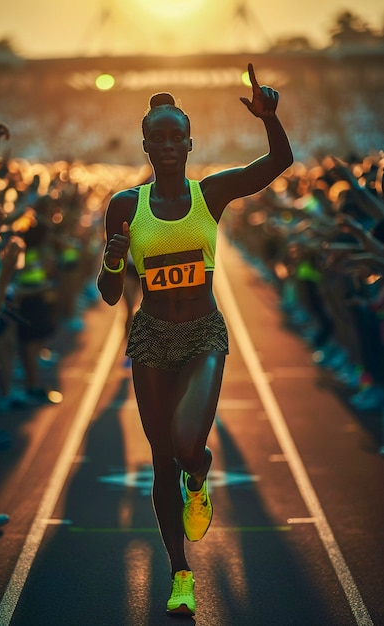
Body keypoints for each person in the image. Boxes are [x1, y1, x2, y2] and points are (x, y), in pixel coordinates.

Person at [97, 63, 293, 616]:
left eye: (174, 136)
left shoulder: (212, 193)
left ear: (189, 142)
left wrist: (270, 118)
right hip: (152, 336)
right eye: (155, 137)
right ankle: (180, 574)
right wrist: (112, 264)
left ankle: (199, 473)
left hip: (204, 330)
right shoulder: (124, 207)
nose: (165, 145)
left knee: (187, 446)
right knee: (161, 461)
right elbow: (110, 295)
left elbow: (279, 162)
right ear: (145, 144)